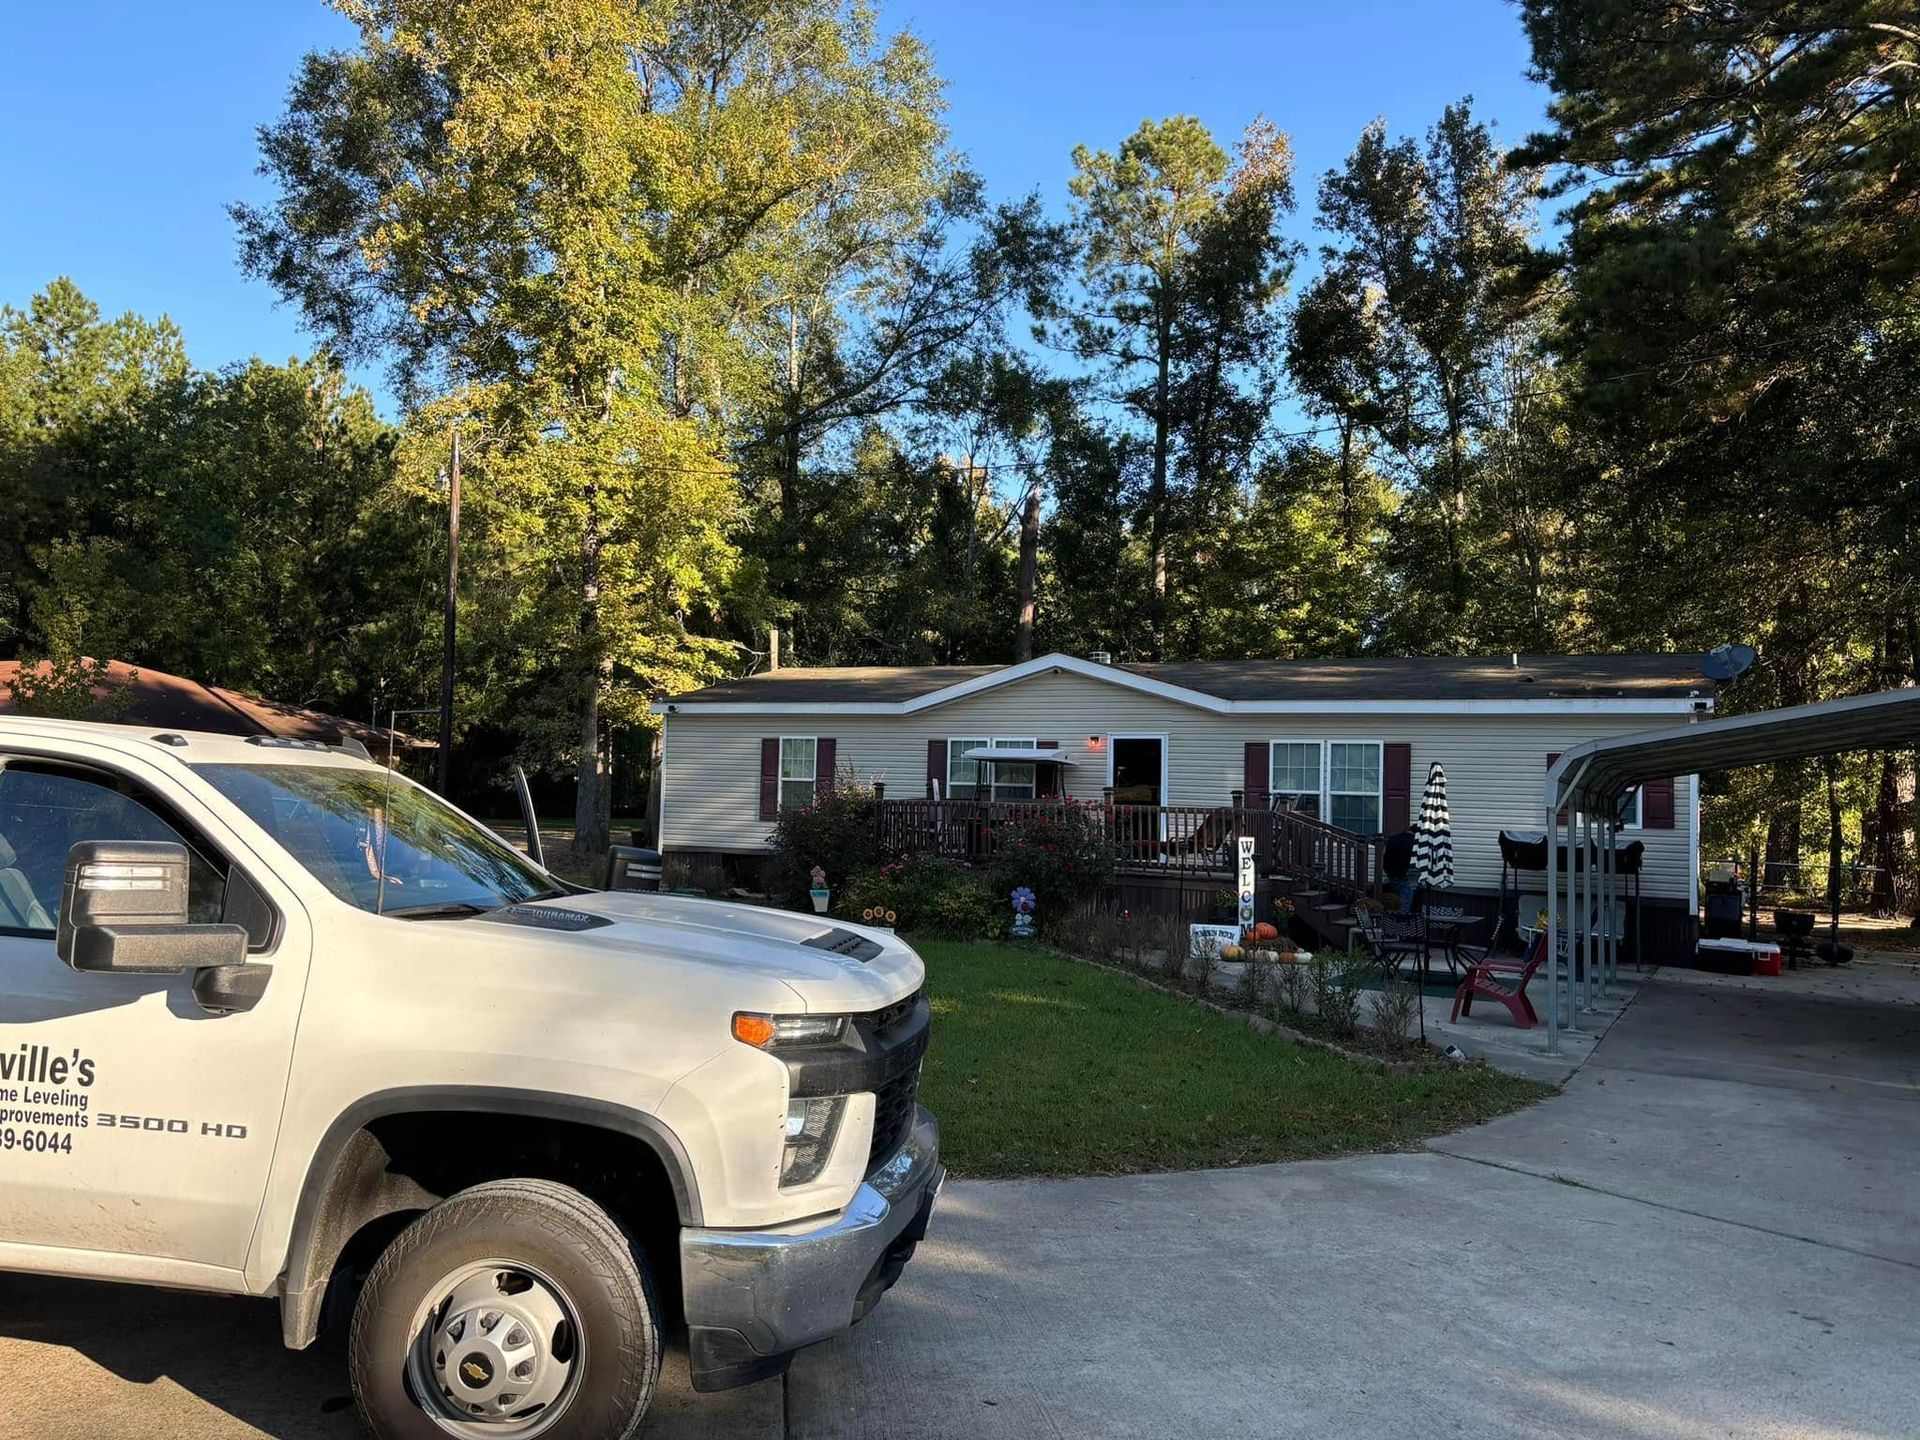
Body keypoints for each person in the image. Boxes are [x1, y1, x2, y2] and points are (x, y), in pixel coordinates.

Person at [1381, 829, 1418, 912]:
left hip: (1390, 874)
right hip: (1406, 876)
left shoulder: (1393, 839)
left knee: (1392, 905)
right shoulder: (1415, 841)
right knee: (1404, 906)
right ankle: (1401, 922)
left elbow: (1385, 856)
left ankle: (1391, 922)